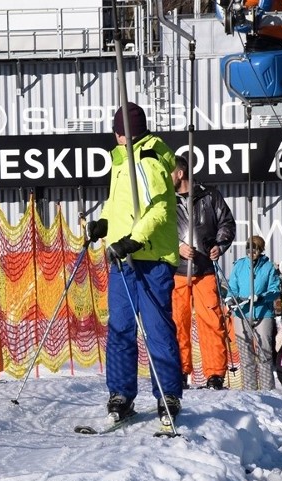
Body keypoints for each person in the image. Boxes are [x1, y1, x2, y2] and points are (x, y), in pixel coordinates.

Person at [87, 102, 183, 428]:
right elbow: (119, 205)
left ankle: (167, 394)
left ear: (121, 133)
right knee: (120, 329)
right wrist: (103, 224)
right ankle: (121, 394)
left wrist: (133, 240)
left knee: (156, 329)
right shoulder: (121, 162)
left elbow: (159, 211)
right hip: (122, 259)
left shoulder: (148, 160)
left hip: (149, 257)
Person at [170, 154, 236, 390]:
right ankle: (179, 370)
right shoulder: (166, 201)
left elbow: (227, 223)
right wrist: (177, 246)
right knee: (178, 322)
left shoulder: (209, 195)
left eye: (169, 172)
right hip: (176, 271)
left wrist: (219, 244)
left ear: (179, 173)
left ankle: (215, 374)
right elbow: (159, 231)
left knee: (211, 320)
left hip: (205, 269)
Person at [225, 235, 280, 390]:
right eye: (249, 247)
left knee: (264, 353)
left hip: (263, 313)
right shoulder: (239, 266)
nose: (252, 251)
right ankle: (249, 390)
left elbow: (275, 290)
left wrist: (261, 297)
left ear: (260, 250)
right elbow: (232, 287)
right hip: (242, 313)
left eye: (255, 248)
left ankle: (267, 390)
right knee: (245, 353)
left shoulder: (268, 267)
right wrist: (230, 299)